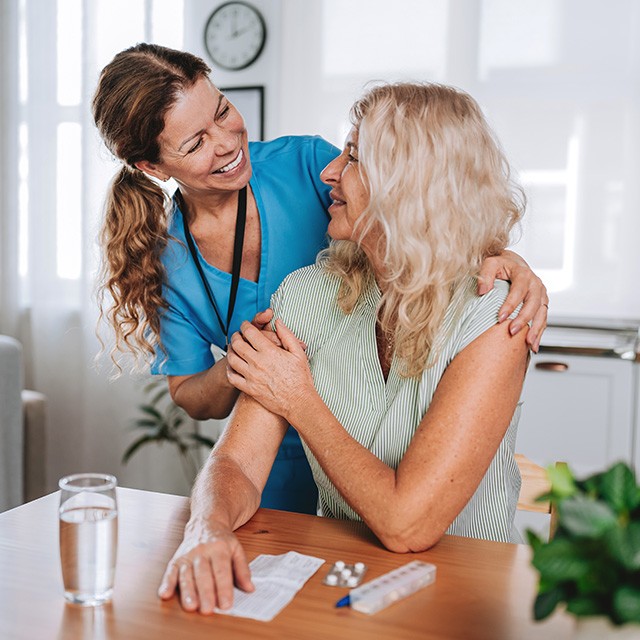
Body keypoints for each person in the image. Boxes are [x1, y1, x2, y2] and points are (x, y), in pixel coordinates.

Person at [92, 43, 547, 517]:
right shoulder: (170, 260)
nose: (226, 142)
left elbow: (412, 193)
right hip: (277, 459)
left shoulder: (306, 165)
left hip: (365, 444)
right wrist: (250, 364)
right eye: (195, 143)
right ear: (152, 166)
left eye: (223, 111)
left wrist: (505, 260)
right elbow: (196, 402)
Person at [157, 82, 533, 615]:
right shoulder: (308, 294)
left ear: (411, 184)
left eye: (354, 157)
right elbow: (237, 463)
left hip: (468, 595)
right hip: (340, 588)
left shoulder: (494, 316)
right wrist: (206, 527)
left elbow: (408, 525)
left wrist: (298, 398)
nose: (329, 172)